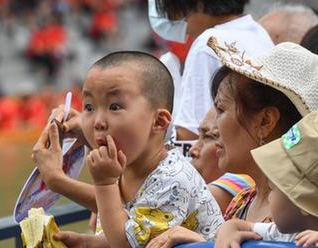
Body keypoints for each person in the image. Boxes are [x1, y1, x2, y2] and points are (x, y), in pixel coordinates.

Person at [32, 51, 223, 248]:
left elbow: (125, 244)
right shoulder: (126, 165)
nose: (97, 122)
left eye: (114, 107)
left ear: (158, 121)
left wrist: (99, 183)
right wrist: (87, 244)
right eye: (89, 107)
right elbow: (135, 231)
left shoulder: (172, 178)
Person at [145, 37, 318, 248]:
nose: (215, 128)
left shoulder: (302, 216)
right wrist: (204, 243)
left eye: (221, 109)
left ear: (266, 121)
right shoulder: (242, 200)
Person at [155, 0, 274, 140]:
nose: (182, 26)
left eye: (177, 14)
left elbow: (190, 134)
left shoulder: (208, 44)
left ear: (198, 4)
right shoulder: (257, 32)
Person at [215, 112, 318, 248]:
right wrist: (227, 231)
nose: (269, 198)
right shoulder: (285, 234)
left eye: (273, 189)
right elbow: (239, 226)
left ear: (300, 200)